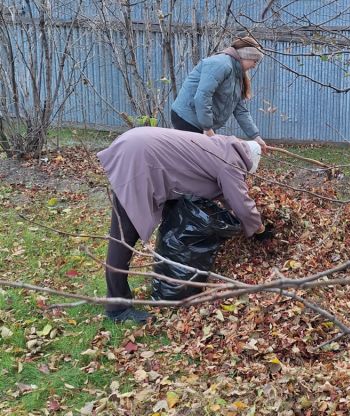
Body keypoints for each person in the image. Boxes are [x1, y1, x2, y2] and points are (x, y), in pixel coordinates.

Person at [97, 127, 272, 323]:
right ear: (249, 163)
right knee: (124, 237)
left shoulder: (223, 148)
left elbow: (227, 195)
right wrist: (260, 230)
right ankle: (117, 308)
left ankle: (164, 280)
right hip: (139, 159)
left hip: (138, 148)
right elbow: (241, 203)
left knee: (146, 228)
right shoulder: (230, 163)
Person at [170, 36, 267, 152]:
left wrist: (255, 137)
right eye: (255, 61)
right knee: (198, 161)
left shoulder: (236, 76)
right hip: (187, 118)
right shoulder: (221, 64)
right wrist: (207, 127)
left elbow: (240, 110)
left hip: (201, 121)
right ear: (246, 55)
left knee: (204, 160)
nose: (255, 65)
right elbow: (203, 95)